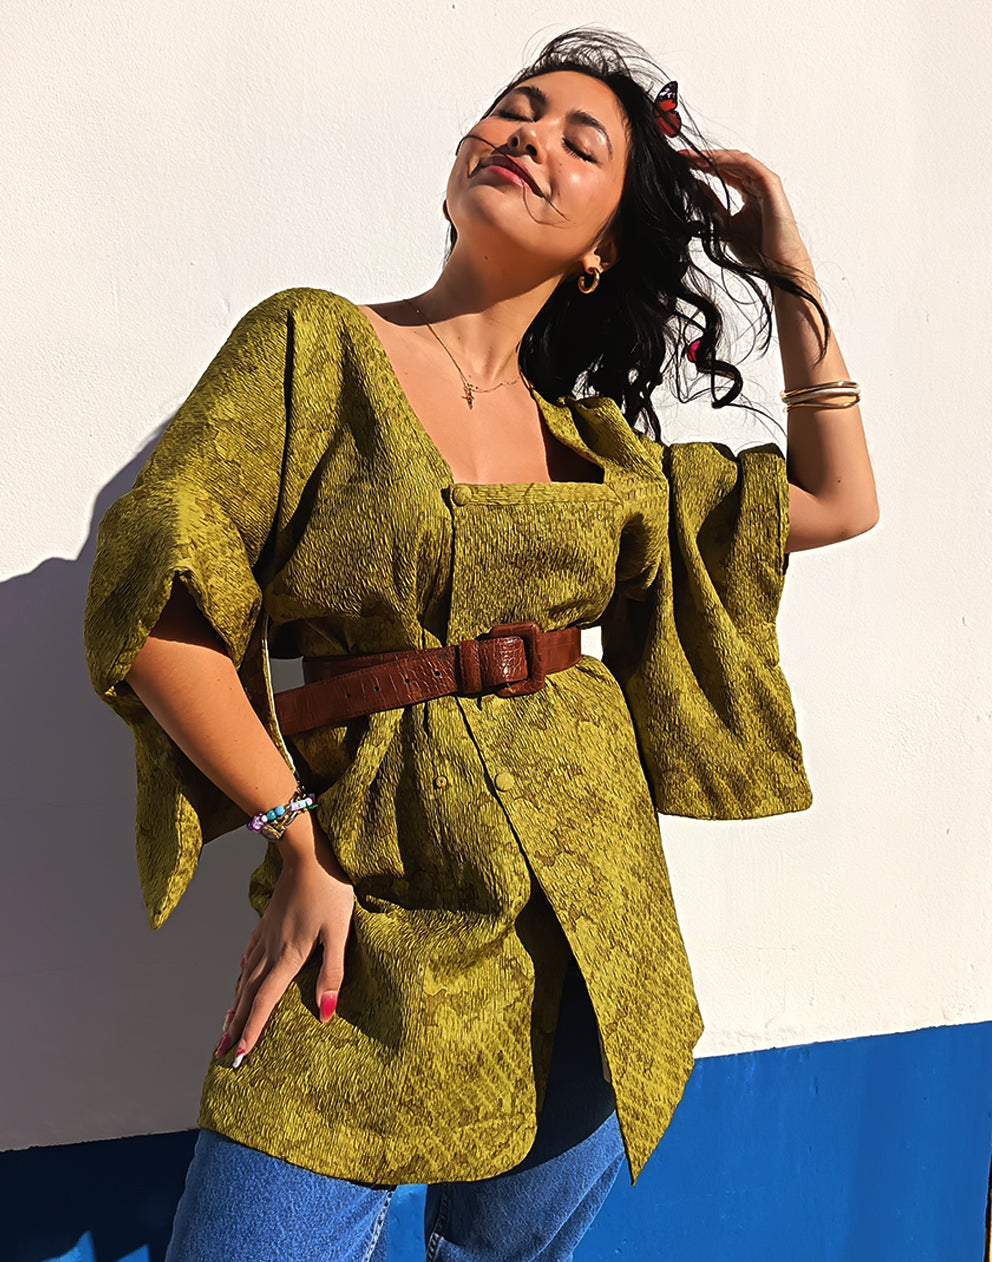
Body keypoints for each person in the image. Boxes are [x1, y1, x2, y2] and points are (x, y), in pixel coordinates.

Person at [83, 26, 878, 1262]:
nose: (528, 135)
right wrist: (289, 836)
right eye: (514, 108)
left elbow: (835, 501)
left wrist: (787, 266)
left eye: (579, 138)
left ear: (603, 247)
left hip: (585, 911)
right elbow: (158, 608)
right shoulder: (312, 346)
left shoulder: (597, 448)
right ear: (459, 158)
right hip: (366, 898)